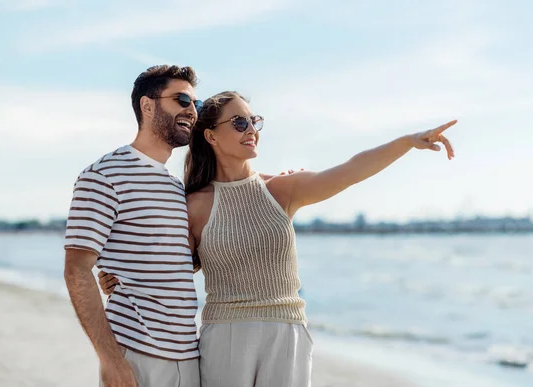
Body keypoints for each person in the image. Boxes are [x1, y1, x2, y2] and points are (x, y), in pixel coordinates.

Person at [101, 90, 456, 386]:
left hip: (287, 333)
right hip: (225, 336)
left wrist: (407, 142)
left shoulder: (282, 189)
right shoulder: (192, 205)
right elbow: (168, 267)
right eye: (239, 122)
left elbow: (350, 171)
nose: (251, 129)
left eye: (254, 121)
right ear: (210, 135)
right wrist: (119, 276)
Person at [63, 65, 204, 387]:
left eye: (195, 103)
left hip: (188, 352)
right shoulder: (103, 175)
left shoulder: (173, 185)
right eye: (182, 100)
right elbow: (76, 270)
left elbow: (170, 262)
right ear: (147, 105)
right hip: (136, 351)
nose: (191, 111)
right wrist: (111, 361)